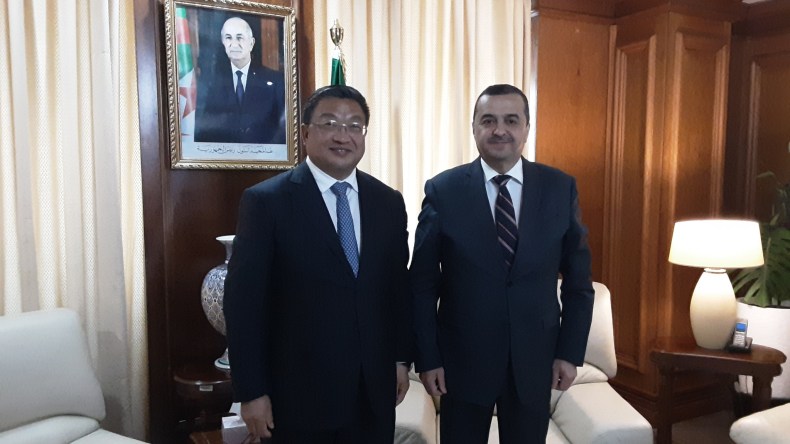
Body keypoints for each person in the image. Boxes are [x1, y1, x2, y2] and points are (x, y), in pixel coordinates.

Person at [223, 85, 412, 444]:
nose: (343, 135)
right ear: (306, 133)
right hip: (297, 397)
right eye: (330, 123)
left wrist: (401, 359)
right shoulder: (267, 202)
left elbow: (397, 290)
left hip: (372, 393)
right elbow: (243, 304)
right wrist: (251, 392)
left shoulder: (388, 202)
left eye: (354, 125)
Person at [410, 84, 594, 443]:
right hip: (462, 363)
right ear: (474, 127)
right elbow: (421, 285)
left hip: (535, 361)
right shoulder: (443, 190)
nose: (499, 130)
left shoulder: (560, 188)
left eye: (511, 120)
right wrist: (428, 358)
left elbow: (578, 283)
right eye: (488, 120)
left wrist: (569, 353)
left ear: (526, 128)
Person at [194, 16, 286, 144]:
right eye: (228, 38)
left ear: (251, 43)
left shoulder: (275, 81)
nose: (234, 44)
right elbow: (203, 131)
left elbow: (283, 131)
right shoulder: (212, 83)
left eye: (239, 38)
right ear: (223, 42)